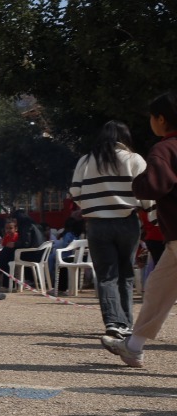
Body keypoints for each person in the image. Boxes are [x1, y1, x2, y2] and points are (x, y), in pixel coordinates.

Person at [102, 92, 177, 367]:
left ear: (160, 119)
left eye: (151, 117)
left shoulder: (165, 149)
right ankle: (133, 346)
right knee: (158, 289)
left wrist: (138, 183)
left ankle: (133, 346)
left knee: (158, 290)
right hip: (174, 242)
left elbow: (155, 185)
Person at [71, 121, 150, 338]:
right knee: (125, 273)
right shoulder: (133, 159)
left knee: (107, 275)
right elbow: (146, 191)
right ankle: (127, 323)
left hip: (97, 223)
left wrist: (92, 206)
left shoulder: (86, 161)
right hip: (127, 221)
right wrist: (151, 214)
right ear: (124, 138)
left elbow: (75, 192)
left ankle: (114, 322)